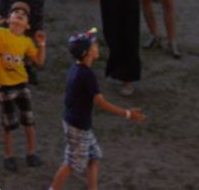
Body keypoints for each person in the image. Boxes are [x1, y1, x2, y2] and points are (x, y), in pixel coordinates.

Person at [50, 30, 144, 190]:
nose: (97, 46)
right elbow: (101, 103)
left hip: (76, 123)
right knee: (71, 163)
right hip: (78, 127)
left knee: (94, 157)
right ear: (86, 52)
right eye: (94, 44)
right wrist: (128, 114)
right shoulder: (86, 75)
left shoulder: (75, 69)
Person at [0, 2, 47, 173]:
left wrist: (42, 45)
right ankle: (9, 156)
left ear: (27, 25)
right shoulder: (0, 34)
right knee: (9, 125)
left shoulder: (26, 42)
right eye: (15, 12)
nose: (19, 14)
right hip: (5, 87)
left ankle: (31, 153)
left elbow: (39, 61)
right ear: (9, 19)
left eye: (23, 14)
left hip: (22, 85)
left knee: (29, 122)